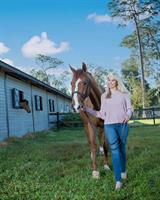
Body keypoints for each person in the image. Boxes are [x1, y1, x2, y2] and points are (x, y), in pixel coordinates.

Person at [82, 72, 133, 190]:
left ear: (117, 81)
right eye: (108, 80)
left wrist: (128, 115)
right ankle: (118, 180)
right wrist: (87, 109)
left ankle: (123, 170)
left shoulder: (124, 94)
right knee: (114, 150)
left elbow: (129, 109)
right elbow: (101, 114)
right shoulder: (104, 96)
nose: (110, 83)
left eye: (112, 80)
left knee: (122, 149)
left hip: (122, 125)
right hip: (109, 125)